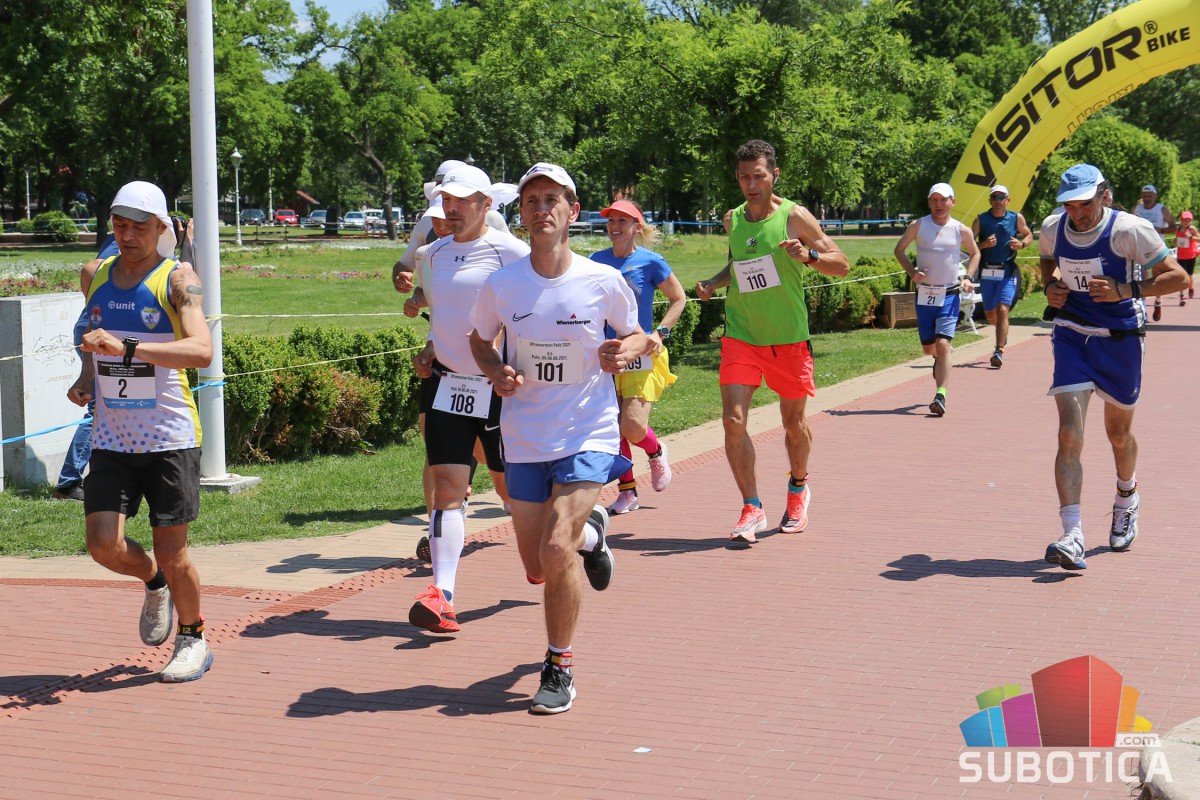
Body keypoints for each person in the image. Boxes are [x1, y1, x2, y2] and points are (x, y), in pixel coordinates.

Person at [469, 162, 646, 714]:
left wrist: (625, 351)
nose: (542, 209)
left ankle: (559, 666)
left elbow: (640, 336)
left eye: (552, 200)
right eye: (532, 201)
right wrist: (495, 370)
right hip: (525, 436)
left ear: (572, 212)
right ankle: (593, 535)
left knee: (554, 547)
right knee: (536, 565)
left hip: (587, 429)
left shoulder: (601, 281)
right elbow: (479, 340)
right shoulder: (503, 285)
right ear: (521, 215)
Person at [65, 180, 215, 680]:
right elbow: (92, 339)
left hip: (169, 436)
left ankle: (193, 638)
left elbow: (202, 351)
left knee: (173, 550)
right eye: (119, 225)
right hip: (112, 437)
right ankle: (154, 583)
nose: (127, 236)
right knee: (102, 545)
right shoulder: (94, 274)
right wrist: (87, 376)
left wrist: (127, 348)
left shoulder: (179, 280)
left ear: (161, 227)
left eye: (139, 227)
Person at [695, 139, 849, 543]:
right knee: (733, 420)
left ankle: (798, 487)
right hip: (741, 336)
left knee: (793, 424)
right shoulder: (732, 220)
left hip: (787, 339)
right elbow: (738, 265)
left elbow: (841, 265)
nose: (751, 184)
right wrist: (713, 282)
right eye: (744, 177)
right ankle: (752, 507)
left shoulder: (795, 217)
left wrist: (809, 257)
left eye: (759, 176)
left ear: (774, 175)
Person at [1040, 164, 1188, 570]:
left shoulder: (1130, 231)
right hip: (1072, 333)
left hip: (1120, 339)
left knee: (1118, 435)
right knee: (1069, 432)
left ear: (1104, 195)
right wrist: (1050, 286)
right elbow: (1048, 260)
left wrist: (1126, 289)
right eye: (1070, 206)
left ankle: (1127, 496)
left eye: (1084, 205)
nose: (1077, 214)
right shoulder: (1053, 227)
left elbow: (1179, 277)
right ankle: (1072, 535)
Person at [406, 165, 529, 634]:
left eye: (462, 200)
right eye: (446, 200)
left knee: (514, 493)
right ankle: (443, 595)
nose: (452, 208)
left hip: (499, 388)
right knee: (447, 488)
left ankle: (585, 534)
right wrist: (430, 349)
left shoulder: (512, 253)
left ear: (486, 204)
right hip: (448, 385)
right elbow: (447, 317)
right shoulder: (433, 254)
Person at [589, 199, 686, 515]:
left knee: (631, 425)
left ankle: (656, 451)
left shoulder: (651, 262)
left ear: (636, 227)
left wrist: (660, 333)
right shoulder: (596, 262)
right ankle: (627, 492)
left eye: (622, 221)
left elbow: (678, 298)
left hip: (641, 353)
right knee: (611, 427)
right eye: (611, 221)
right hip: (607, 355)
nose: (614, 226)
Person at [893, 183, 981, 416]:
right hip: (924, 294)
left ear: (953, 201)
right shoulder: (919, 225)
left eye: (943, 200)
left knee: (943, 344)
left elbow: (975, 253)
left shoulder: (961, 229)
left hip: (949, 294)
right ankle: (938, 358)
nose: (939, 204)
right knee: (929, 348)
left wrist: (968, 277)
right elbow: (899, 250)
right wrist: (912, 272)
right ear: (929, 202)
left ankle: (940, 395)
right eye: (934, 200)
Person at [391, 159, 510, 294]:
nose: (442, 227)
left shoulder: (492, 219)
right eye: (440, 184)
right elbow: (405, 265)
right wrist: (401, 279)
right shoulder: (426, 224)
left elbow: (515, 262)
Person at [970, 185, 1032, 368]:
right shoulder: (981, 219)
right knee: (991, 315)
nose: (998, 201)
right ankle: (1002, 332)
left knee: (1003, 309)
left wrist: (1021, 244)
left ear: (1008, 200)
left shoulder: (1016, 218)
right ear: (990, 200)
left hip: (1007, 271)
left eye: (1001, 197)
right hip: (987, 272)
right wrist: (983, 244)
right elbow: (968, 245)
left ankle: (999, 350)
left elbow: (1028, 235)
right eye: (994, 197)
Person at [1133, 184, 1177, 322]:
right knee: (1141, 279)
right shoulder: (1137, 209)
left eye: (1149, 196)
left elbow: (1173, 228)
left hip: (1156, 248)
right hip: (1139, 248)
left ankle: (1158, 301)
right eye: (1145, 196)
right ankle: (1143, 311)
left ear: (1155, 196)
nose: (1147, 198)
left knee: (1157, 278)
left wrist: (1160, 230)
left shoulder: (1162, 209)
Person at [1174, 210, 1196, 305]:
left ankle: (1190, 287)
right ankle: (1182, 296)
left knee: (1189, 276)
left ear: (1191, 221)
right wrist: (1174, 242)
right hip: (1181, 257)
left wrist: (1190, 237)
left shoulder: (1192, 229)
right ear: (1181, 220)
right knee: (1182, 277)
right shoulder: (1178, 229)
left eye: (1188, 220)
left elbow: (1199, 239)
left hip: (1191, 256)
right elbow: (1176, 240)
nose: (1186, 222)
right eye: (1184, 220)